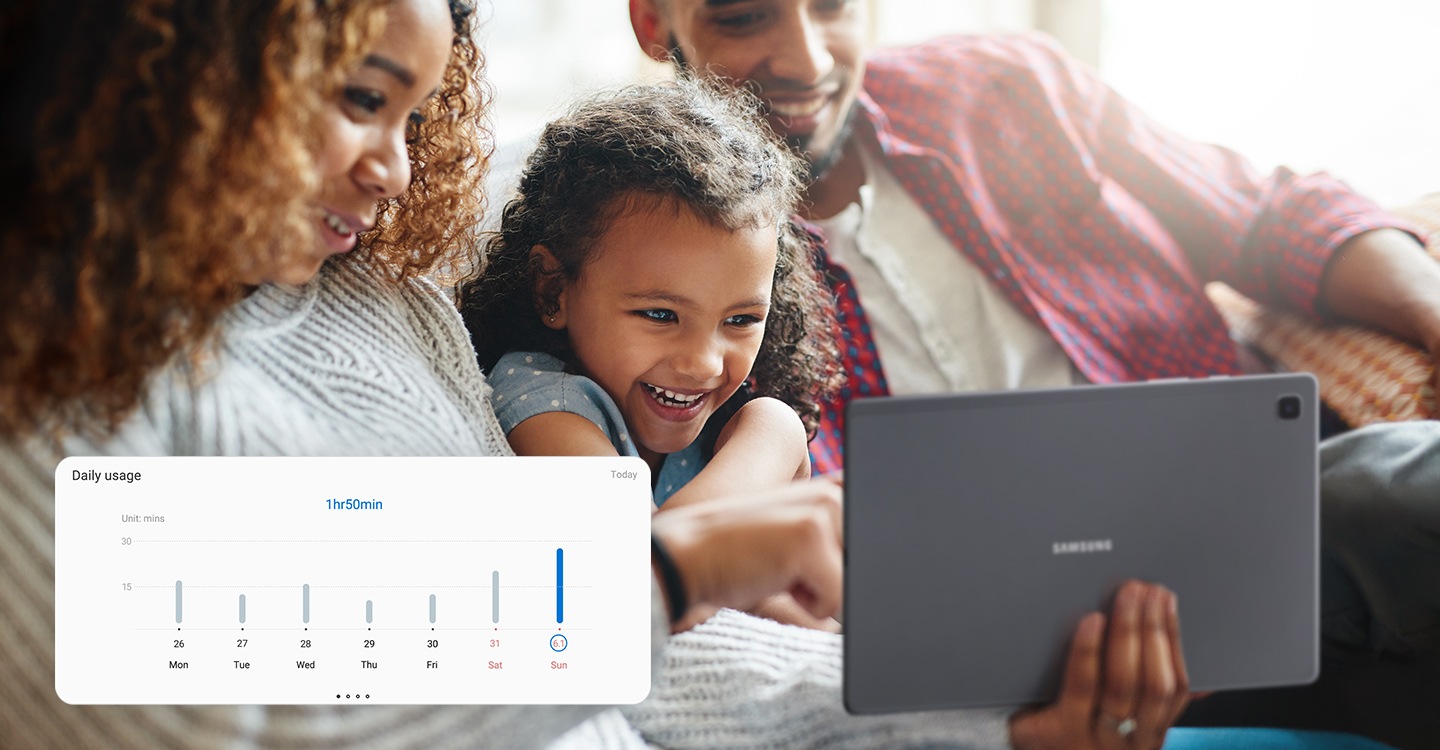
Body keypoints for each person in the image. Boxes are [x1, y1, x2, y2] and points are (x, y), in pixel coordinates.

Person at [0, 0, 1221, 748]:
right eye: (364, 100)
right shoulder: (47, 380)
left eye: (417, 119)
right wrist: (680, 563)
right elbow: (226, 715)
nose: (392, 167)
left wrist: (993, 724)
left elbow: (629, 680)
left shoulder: (382, 311)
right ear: (176, 79)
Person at [619, 1, 1440, 746]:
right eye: (744, 17)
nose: (806, 58)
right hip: (988, 659)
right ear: (655, 24)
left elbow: (1270, 217)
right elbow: (695, 570)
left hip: (1235, 521)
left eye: (832, 6)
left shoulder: (1006, 88)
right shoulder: (649, 257)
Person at [461, 79, 839, 511]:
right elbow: (655, 559)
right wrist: (777, 435)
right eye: (660, 315)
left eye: (740, 320)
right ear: (554, 290)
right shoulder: (542, 400)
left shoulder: (728, 417)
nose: (703, 364)